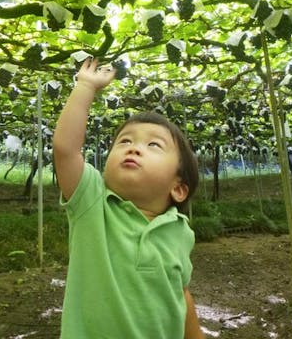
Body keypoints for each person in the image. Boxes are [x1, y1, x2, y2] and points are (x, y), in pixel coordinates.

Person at [53, 58, 205, 339]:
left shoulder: (181, 230)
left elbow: (180, 292)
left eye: (153, 145)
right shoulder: (92, 204)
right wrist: (85, 86)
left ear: (179, 188)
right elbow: (66, 150)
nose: (134, 148)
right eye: (124, 141)